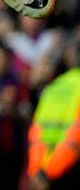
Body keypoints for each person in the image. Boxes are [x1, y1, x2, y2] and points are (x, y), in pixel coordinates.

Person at [27, 38, 80, 190]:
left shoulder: (52, 88)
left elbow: (36, 134)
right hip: (68, 171)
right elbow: (74, 138)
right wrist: (49, 173)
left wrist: (37, 172)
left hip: (44, 175)